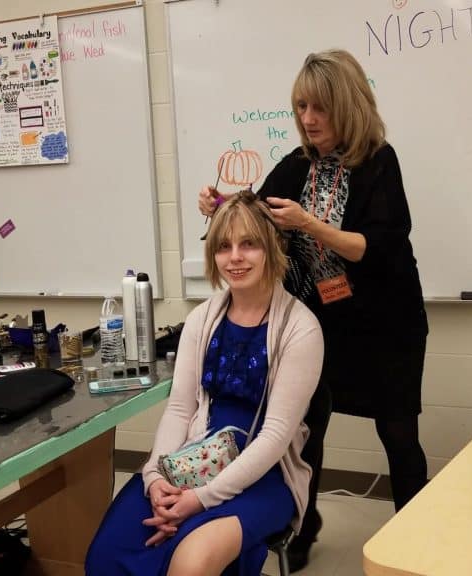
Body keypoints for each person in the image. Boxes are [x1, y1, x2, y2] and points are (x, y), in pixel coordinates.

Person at [199, 49, 429, 570]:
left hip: (387, 325)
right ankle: (299, 533)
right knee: (306, 429)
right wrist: (219, 206)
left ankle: (415, 543)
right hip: (322, 327)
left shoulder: (379, 161)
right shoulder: (296, 166)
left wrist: (310, 225)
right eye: (301, 106)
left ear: (347, 105)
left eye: (320, 107)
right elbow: (252, 214)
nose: (308, 119)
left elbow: (379, 245)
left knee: (398, 433)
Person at [86, 191, 323, 575]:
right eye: (223, 246)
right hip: (194, 459)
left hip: (265, 474)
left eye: (249, 244)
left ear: (271, 248)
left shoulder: (301, 329)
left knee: (191, 564)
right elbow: (181, 408)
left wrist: (201, 499)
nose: (235, 257)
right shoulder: (202, 320)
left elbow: (276, 434)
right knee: (106, 554)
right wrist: (155, 476)